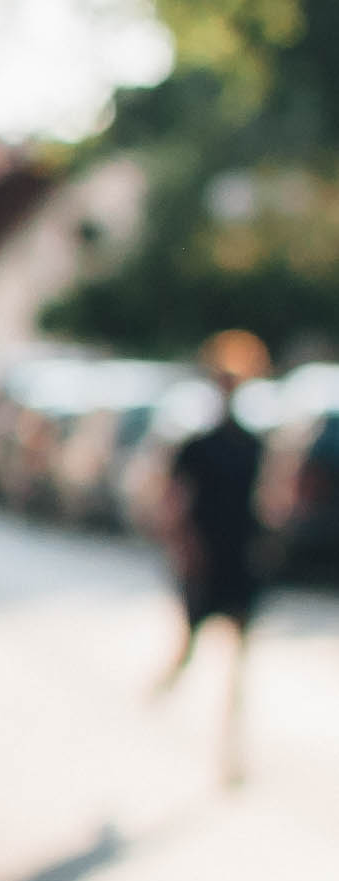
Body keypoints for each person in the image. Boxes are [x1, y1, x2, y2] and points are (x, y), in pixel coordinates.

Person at [158, 329, 272, 785]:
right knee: (189, 649)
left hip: (241, 556)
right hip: (205, 557)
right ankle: (161, 695)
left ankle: (231, 750)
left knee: (239, 662)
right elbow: (173, 503)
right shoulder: (197, 446)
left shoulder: (254, 444)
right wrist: (185, 550)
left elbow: (267, 498)